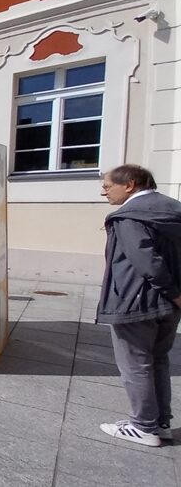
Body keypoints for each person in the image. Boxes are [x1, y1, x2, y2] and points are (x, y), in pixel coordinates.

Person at [96, 165, 181, 448]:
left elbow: (146, 260)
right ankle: (160, 423)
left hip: (136, 301)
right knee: (158, 360)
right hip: (170, 303)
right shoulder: (173, 208)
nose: (103, 191)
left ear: (130, 184)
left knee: (135, 364)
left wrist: (170, 290)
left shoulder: (129, 216)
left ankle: (143, 426)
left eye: (108, 186)